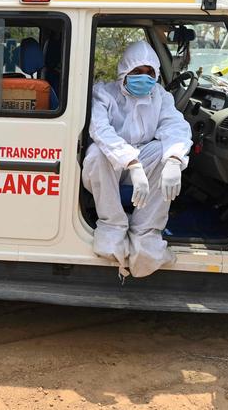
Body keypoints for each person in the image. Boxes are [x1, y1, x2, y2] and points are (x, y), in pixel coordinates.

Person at [82, 41, 192, 278]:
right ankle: (112, 227)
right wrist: (131, 163)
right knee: (97, 153)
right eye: (137, 72)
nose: (144, 78)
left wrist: (174, 160)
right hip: (110, 163)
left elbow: (174, 126)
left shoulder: (159, 96)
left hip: (141, 160)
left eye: (149, 72)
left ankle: (145, 235)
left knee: (167, 151)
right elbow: (100, 131)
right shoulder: (103, 93)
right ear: (124, 72)